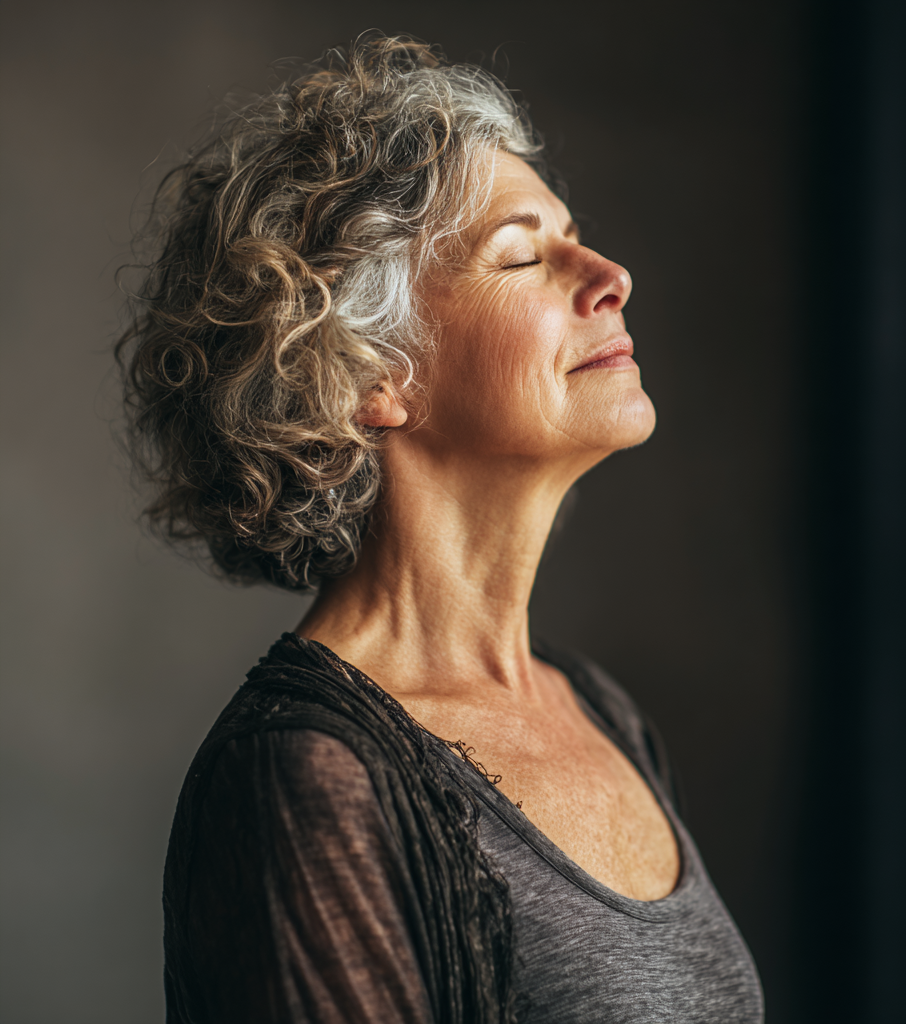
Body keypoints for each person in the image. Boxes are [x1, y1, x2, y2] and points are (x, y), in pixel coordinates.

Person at [118, 34, 764, 1024]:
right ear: (371, 374)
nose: (607, 273)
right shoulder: (301, 779)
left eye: (574, 232)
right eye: (522, 255)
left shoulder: (596, 707)